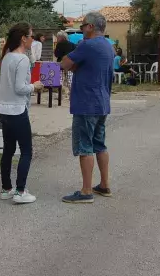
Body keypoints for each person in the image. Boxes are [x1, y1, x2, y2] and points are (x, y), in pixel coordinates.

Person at [59, 12, 114, 204]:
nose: (81, 30)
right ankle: (104, 184)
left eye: (83, 26)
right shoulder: (108, 46)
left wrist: (72, 58)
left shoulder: (87, 45)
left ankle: (86, 190)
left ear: (90, 26)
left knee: (85, 146)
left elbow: (65, 64)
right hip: (102, 102)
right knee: (100, 144)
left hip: (86, 103)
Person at [0, 22, 43, 204]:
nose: (32, 39)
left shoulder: (7, 57)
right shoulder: (22, 59)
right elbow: (19, 88)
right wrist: (35, 86)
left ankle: (7, 188)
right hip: (17, 110)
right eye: (31, 36)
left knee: (8, 149)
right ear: (23, 38)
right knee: (26, 151)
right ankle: (20, 191)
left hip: (3, 110)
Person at [54, 31, 76, 99]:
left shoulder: (59, 44)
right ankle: (72, 95)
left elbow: (56, 54)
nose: (57, 38)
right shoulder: (72, 44)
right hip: (70, 64)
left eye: (57, 37)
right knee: (70, 80)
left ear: (60, 37)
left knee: (60, 80)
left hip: (61, 64)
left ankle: (60, 96)